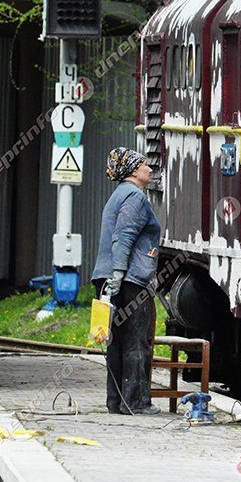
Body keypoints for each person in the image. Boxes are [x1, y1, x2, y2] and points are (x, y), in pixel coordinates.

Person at [92, 147, 162, 415]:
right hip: (130, 280)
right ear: (134, 170)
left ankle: (116, 401)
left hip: (111, 277)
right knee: (136, 341)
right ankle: (136, 402)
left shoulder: (118, 195)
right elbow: (125, 236)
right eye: (145, 165)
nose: (150, 169)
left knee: (116, 341)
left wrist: (112, 279)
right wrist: (119, 275)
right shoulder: (134, 196)